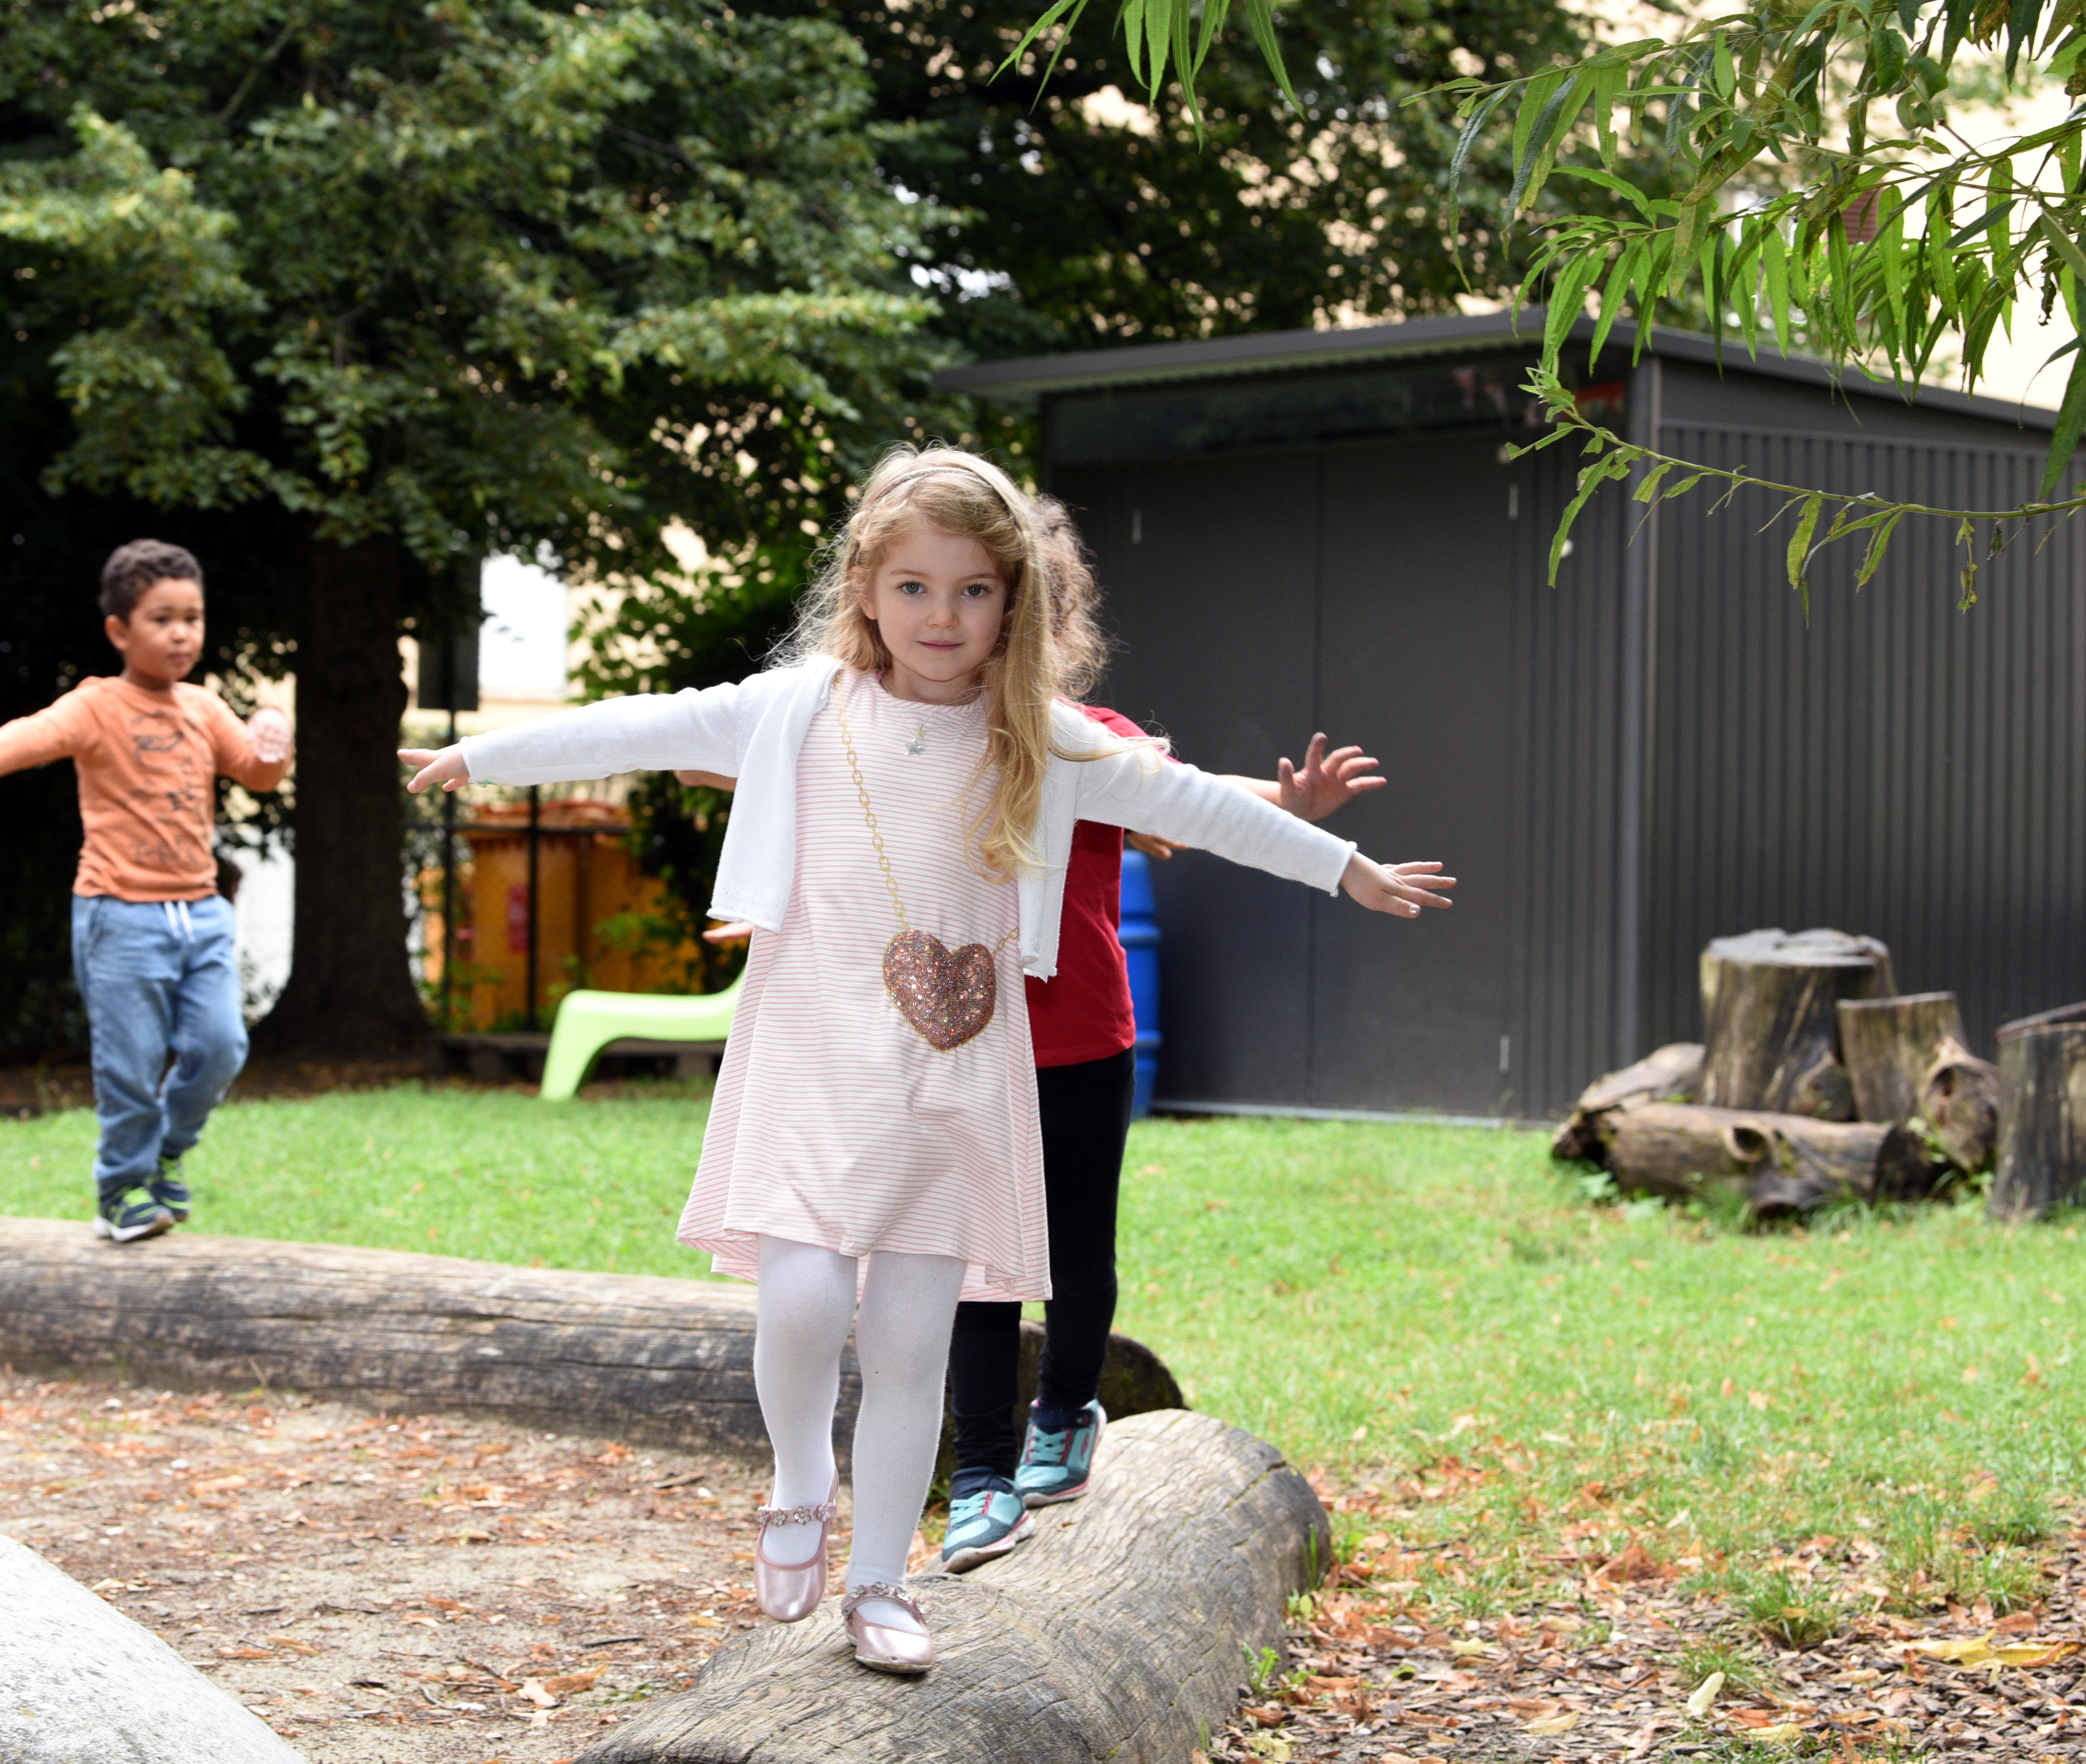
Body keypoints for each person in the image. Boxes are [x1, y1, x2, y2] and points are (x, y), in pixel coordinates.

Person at [401, 446, 1454, 1675]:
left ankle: (881, 1578)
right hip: (811, 1059)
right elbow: (650, 721)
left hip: (952, 1075)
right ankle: (802, 1472)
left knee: (909, 1344)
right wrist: (482, 757)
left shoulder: (1037, 735)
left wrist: (1345, 867)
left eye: (970, 591)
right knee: (799, 1305)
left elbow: (1194, 803)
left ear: (1014, 601)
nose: (940, 616)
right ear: (863, 587)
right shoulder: (801, 705)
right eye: (912, 587)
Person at [678, 499, 1392, 1575]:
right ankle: (977, 1480)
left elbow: (1181, 794)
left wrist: (1287, 806)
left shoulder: (1077, 741)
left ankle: (1066, 1407)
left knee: (1075, 1259)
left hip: (1079, 1041)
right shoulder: (884, 727)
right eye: (930, 595)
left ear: (1037, 625)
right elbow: (794, 776)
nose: (961, 625)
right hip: (952, 1053)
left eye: (992, 604)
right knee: (961, 1271)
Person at [0, 540, 291, 1244]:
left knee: (222, 1044)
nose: (181, 633)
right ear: (119, 631)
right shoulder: (98, 705)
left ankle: (169, 1147)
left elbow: (257, 773)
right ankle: (122, 1187)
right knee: (130, 1064)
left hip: (201, 913)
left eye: (192, 618)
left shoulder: (203, 708)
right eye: (162, 618)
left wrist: (274, 738)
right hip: (119, 915)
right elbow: (34, 734)